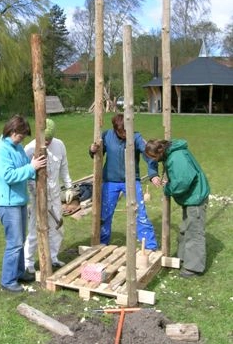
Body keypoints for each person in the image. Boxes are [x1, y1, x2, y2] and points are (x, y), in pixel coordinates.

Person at [0, 115, 46, 293]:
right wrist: (32, 168)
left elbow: (26, 166)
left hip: (19, 201)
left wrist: (37, 171)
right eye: (21, 135)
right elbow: (9, 176)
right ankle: (8, 280)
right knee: (14, 242)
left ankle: (20, 272)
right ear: (13, 132)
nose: (22, 139)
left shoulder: (17, 147)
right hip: (7, 203)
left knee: (20, 240)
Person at [89, 113, 162, 250]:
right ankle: (102, 244)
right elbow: (97, 154)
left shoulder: (136, 137)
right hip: (110, 182)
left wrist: (153, 174)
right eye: (122, 132)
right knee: (105, 214)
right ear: (115, 129)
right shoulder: (106, 136)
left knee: (140, 213)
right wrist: (92, 150)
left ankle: (150, 247)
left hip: (132, 181)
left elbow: (149, 155)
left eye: (127, 131)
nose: (125, 134)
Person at [145, 139, 210, 277]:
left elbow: (183, 181)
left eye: (153, 158)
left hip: (196, 197)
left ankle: (193, 268)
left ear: (159, 152)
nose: (154, 161)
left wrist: (168, 188)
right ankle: (184, 258)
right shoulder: (171, 154)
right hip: (191, 197)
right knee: (185, 229)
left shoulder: (176, 157)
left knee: (194, 232)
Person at [24, 118, 75, 273]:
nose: (46, 142)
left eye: (49, 139)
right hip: (37, 197)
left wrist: (68, 187)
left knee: (57, 227)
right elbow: (26, 175)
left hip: (54, 195)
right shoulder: (29, 149)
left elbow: (64, 167)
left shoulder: (59, 145)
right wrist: (37, 194)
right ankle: (28, 263)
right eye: (44, 139)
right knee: (34, 230)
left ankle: (53, 257)